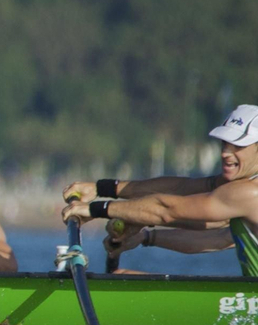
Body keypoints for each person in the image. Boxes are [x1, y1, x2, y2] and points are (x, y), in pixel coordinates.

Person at [61, 104, 258, 276]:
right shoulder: (240, 187)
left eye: (238, 146)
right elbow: (184, 192)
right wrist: (102, 188)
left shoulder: (248, 193)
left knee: (131, 285)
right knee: (128, 279)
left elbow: (166, 210)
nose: (225, 153)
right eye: (225, 143)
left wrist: (95, 209)